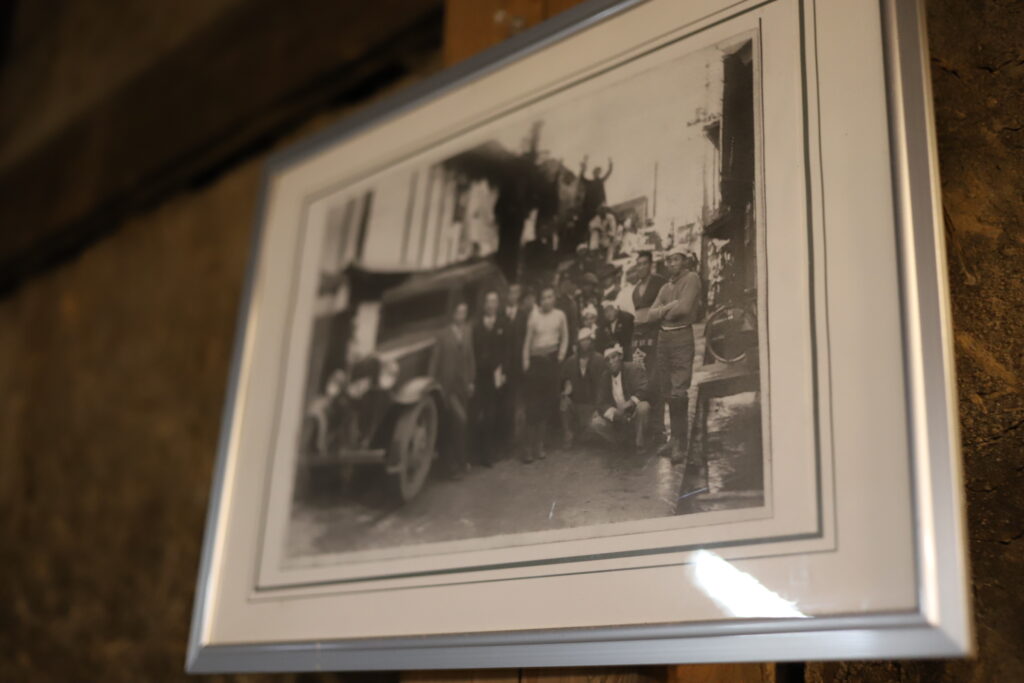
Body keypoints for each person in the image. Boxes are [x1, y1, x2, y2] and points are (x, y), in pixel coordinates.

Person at [648, 247, 702, 463]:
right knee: (667, 390)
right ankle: (673, 439)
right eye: (668, 260)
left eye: (676, 259)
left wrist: (664, 311)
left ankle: (681, 442)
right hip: (664, 339)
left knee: (679, 390)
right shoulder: (665, 287)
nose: (671, 264)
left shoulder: (692, 279)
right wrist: (668, 307)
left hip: (681, 337)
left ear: (684, 261)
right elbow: (650, 315)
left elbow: (684, 309)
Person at [522, 285, 570, 462]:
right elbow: (527, 341)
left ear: (554, 299)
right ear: (539, 300)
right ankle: (527, 448)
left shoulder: (560, 316)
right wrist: (526, 362)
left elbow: (565, 337)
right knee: (532, 406)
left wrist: (561, 355)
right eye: (543, 298)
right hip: (535, 362)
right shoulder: (534, 316)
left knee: (545, 404)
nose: (547, 300)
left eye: (550, 297)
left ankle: (539, 445)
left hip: (552, 362)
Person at [631, 250, 667, 439]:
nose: (641, 267)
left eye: (644, 263)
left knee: (658, 380)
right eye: (638, 264)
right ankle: (646, 427)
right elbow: (637, 315)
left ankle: (659, 427)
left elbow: (667, 306)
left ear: (651, 264)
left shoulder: (660, 282)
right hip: (640, 337)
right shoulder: (635, 289)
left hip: (656, 333)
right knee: (643, 379)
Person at [437, 301, 475, 478]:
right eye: (459, 312)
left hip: (463, 385)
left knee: (458, 426)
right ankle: (454, 464)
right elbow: (435, 361)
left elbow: (470, 357)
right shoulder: (443, 334)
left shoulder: (467, 331)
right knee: (460, 421)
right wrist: (436, 386)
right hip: (448, 386)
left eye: (464, 312)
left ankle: (458, 464)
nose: (462, 315)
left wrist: (471, 381)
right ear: (453, 314)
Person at [591, 344, 651, 453]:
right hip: (618, 417)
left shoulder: (633, 369)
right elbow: (600, 402)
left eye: (614, 357)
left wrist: (631, 402)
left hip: (633, 414)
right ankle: (620, 442)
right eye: (607, 360)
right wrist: (612, 412)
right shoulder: (605, 377)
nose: (611, 362)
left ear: (620, 357)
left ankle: (640, 443)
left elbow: (644, 389)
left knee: (644, 407)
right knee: (596, 422)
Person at [472, 291, 509, 467]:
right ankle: (476, 453)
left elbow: (506, 349)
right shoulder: (476, 325)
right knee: (478, 413)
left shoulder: (503, 323)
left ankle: (490, 453)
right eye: (488, 301)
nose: (491, 304)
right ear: (484, 304)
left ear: (498, 304)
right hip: (479, 375)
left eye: (494, 301)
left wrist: (503, 371)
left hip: (496, 374)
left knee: (493, 413)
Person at [559, 328, 607, 449]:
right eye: (582, 341)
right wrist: (566, 390)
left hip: (592, 406)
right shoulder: (570, 361)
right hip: (577, 404)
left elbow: (604, 386)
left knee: (591, 434)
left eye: (587, 340)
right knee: (563, 402)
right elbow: (564, 382)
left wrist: (598, 406)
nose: (584, 343)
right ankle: (568, 435)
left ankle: (586, 432)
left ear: (591, 341)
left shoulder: (599, 359)